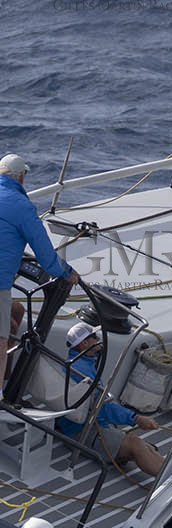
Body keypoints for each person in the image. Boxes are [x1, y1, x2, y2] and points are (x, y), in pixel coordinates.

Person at [0, 154, 78, 381]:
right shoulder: (22, 206)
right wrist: (67, 273)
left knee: (15, 314)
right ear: (21, 177)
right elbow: (45, 255)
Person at [59, 321, 164, 477]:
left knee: (143, 445)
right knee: (136, 445)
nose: (98, 339)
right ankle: (170, 477)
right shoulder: (82, 371)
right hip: (81, 431)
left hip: (83, 423)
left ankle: (166, 468)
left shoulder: (77, 363)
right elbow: (100, 407)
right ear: (85, 343)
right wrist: (135, 418)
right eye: (94, 337)